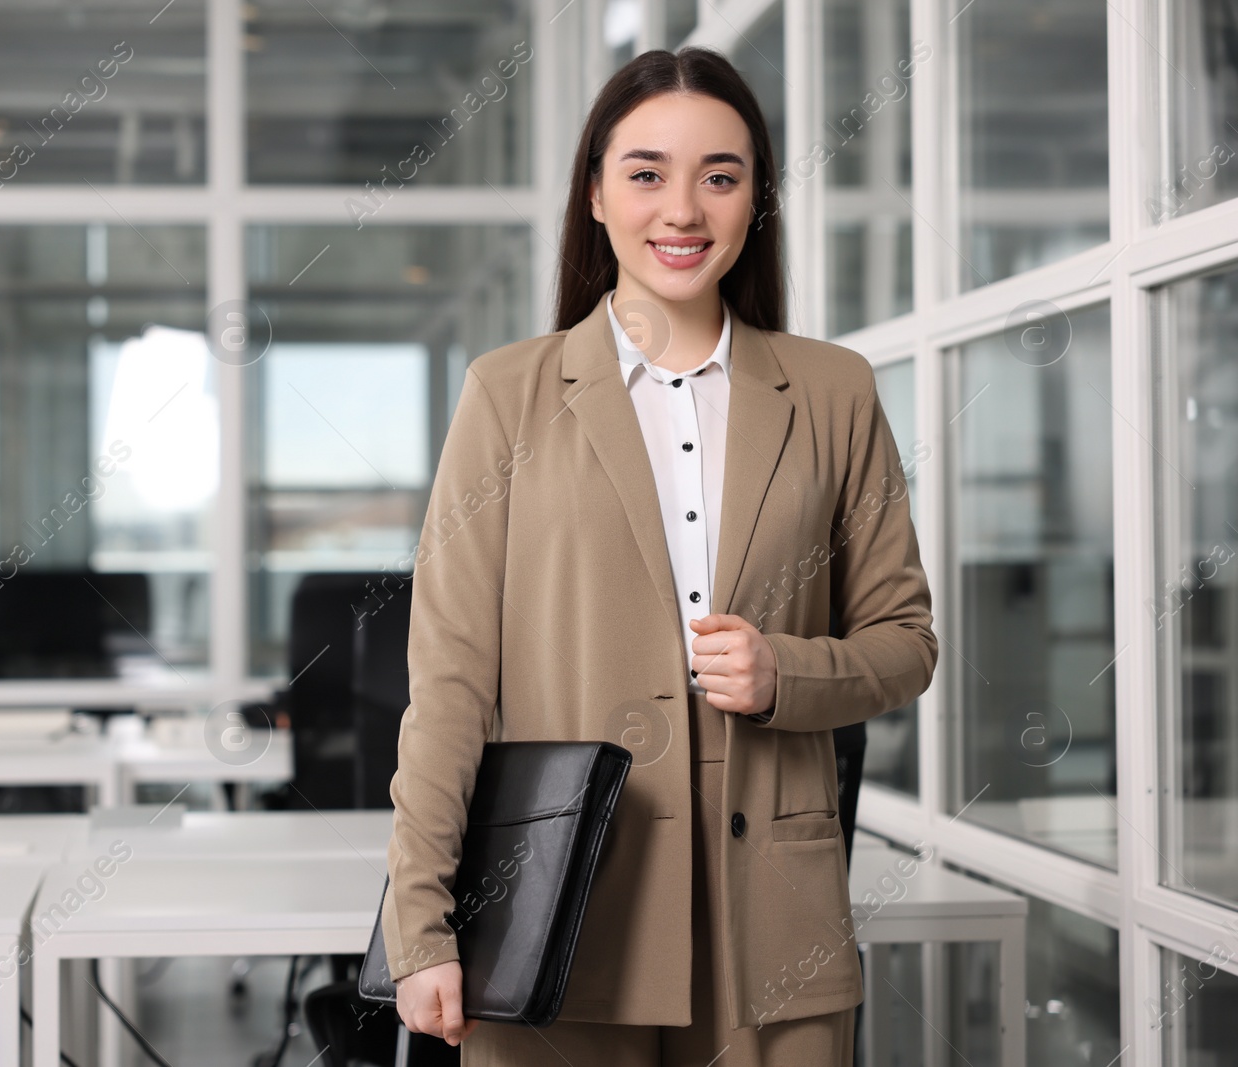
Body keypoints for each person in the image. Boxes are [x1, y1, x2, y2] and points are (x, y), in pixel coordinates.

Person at [380, 46, 937, 1067]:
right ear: (594, 193)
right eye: (645, 173)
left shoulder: (832, 390)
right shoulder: (508, 394)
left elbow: (905, 642)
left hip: (770, 923)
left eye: (718, 176)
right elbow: (450, 680)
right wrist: (420, 924)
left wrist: (785, 671)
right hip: (557, 912)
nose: (682, 209)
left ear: (754, 199)